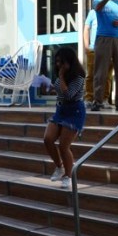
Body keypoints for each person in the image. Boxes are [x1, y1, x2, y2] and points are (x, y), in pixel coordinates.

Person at [44, 47, 86, 190]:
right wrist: (49, 87)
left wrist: (61, 78)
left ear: (70, 62)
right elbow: (59, 91)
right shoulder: (62, 75)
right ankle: (59, 167)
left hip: (74, 111)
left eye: (61, 62)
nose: (58, 65)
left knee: (63, 146)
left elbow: (69, 95)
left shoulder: (79, 78)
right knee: (48, 139)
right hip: (60, 110)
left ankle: (68, 176)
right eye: (57, 62)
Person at [83, 8, 113, 107]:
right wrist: (86, 46)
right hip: (93, 48)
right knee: (91, 74)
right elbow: (86, 28)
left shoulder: (113, 12)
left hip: (108, 48)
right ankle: (89, 98)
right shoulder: (93, 12)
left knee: (107, 76)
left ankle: (104, 99)